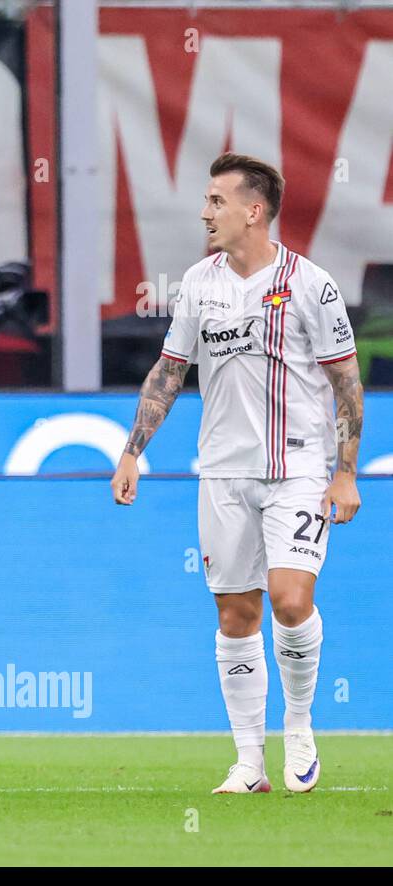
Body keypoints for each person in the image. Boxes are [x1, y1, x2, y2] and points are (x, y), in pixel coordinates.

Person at [111, 153, 364, 795]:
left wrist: (345, 472)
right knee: (234, 615)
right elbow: (170, 371)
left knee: (290, 597)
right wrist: (133, 449)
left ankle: (300, 725)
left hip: (298, 467)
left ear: (253, 211)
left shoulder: (312, 285)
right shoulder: (198, 283)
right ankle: (250, 763)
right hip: (223, 472)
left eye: (216, 201)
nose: (205, 213)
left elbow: (346, 382)